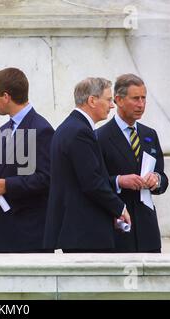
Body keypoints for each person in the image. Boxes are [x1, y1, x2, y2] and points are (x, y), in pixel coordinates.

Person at [44, 77, 131, 253]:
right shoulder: (79, 132)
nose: (112, 106)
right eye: (108, 100)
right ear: (92, 100)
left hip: (79, 231)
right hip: (85, 232)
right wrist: (119, 208)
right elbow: (92, 182)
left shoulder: (70, 127)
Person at [0, 67, 55, 253]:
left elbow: (47, 178)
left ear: (6, 96)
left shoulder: (42, 129)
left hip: (29, 233)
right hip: (3, 231)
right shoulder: (4, 130)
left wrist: (7, 185)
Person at [96, 74, 168, 253]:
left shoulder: (149, 134)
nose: (141, 104)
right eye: (136, 98)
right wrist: (120, 181)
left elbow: (163, 178)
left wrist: (157, 179)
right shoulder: (100, 137)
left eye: (144, 98)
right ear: (119, 100)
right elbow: (95, 182)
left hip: (148, 229)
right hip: (118, 226)